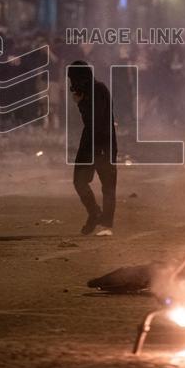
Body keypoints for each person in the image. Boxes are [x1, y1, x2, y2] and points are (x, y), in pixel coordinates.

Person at [69, 60, 117, 237]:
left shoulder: (98, 90)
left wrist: (81, 103)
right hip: (89, 142)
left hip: (103, 142)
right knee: (79, 181)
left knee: (108, 186)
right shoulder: (86, 91)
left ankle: (106, 223)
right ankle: (94, 213)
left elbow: (96, 120)